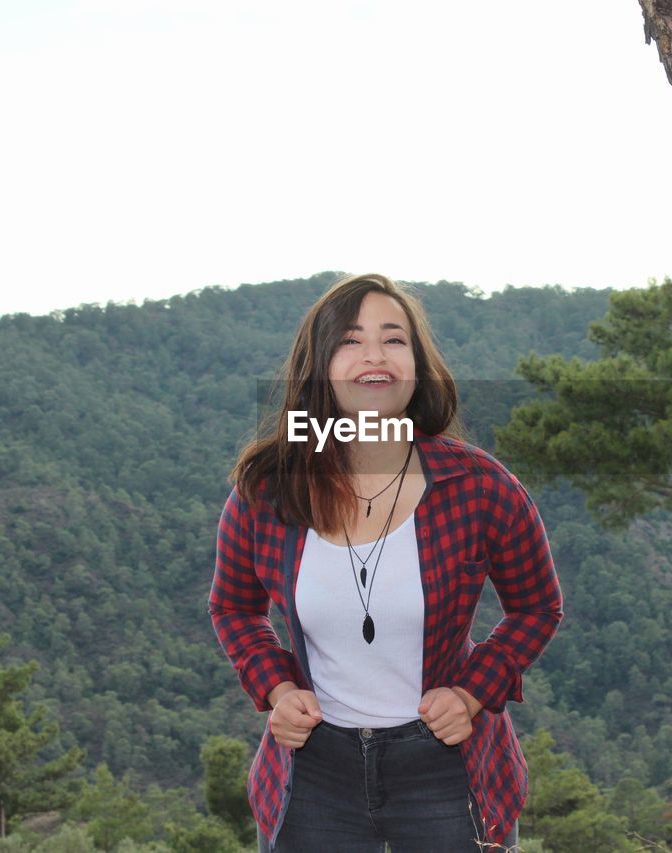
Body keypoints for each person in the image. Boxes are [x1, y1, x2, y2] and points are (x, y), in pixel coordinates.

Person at [208, 272, 563, 851]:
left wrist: (472, 694)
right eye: (350, 340)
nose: (375, 354)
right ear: (319, 365)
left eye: (394, 339)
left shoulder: (478, 486)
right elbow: (232, 608)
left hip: (448, 768)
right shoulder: (269, 489)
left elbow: (538, 608)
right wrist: (275, 688)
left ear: (417, 364)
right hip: (313, 770)